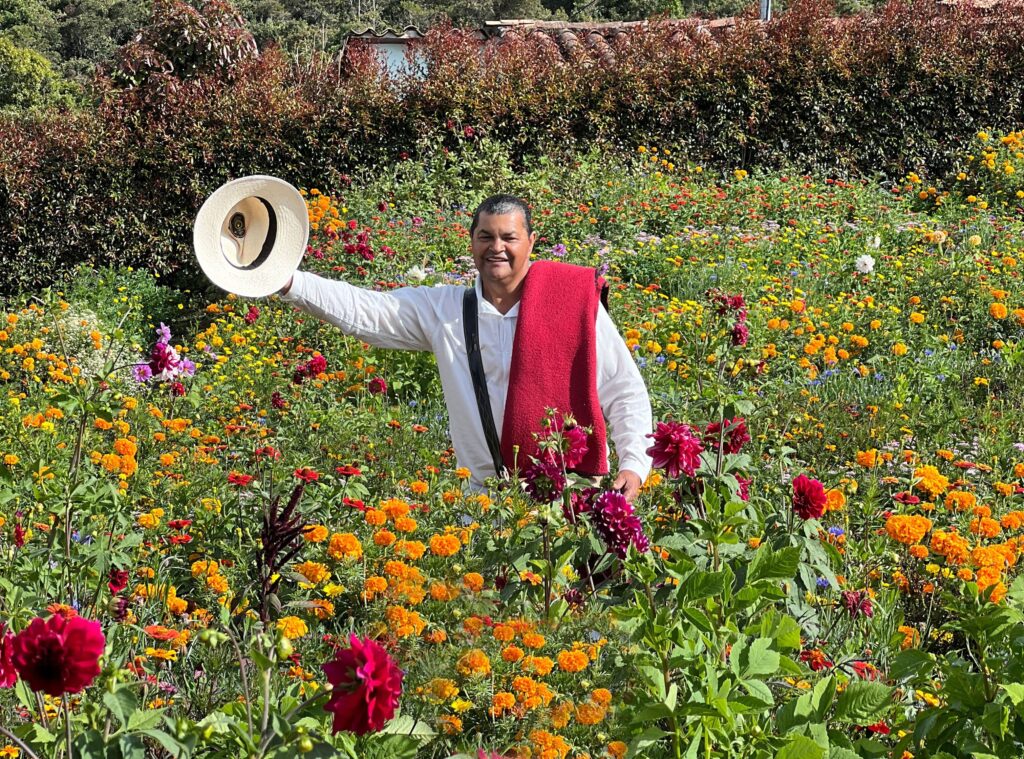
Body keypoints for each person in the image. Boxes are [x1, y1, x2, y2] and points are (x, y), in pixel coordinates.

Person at [278, 195, 652, 500]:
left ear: (531, 243)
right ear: (472, 242)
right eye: (486, 237)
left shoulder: (571, 302)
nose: (497, 248)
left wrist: (633, 463)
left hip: (569, 497)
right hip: (484, 502)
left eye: (509, 237)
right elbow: (368, 311)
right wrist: (288, 282)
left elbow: (623, 388)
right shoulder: (445, 310)